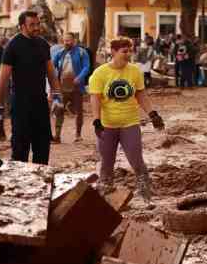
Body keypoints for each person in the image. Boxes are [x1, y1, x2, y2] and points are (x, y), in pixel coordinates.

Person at [88, 37, 166, 206]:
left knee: (136, 159)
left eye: (130, 50)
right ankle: (104, 198)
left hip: (130, 122)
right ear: (113, 52)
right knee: (107, 163)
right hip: (107, 125)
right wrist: (96, 121)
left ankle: (146, 195)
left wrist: (153, 114)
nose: (128, 54)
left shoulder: (134, 71)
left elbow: (140, 94)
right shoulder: (100, 73)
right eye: (124, 51)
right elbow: (95, 98)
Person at [0, 10, 62, 165]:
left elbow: (51, 74)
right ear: (22, 26)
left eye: (38, 24)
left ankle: (42, 184)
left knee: (43, 148)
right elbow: (2, 82)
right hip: (20, 105)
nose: (37, 28)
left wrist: (57, 97)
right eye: (32, 25)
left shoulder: (43, 44)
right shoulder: (13, 46)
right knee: (20, 151)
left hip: (40, 103)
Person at [51, 32, 90, 143]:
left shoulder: (82, 52)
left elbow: (86, 67)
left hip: (77, 86)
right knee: (59, 110)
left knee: (78, 111)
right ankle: (57, 136)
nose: (66, 43)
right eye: (64, 41)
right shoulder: (60, 53)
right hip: (62, 87)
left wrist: (80, 77)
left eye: (68, 40)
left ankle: (78, 134)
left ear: (74, 40)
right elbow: (52, 66)